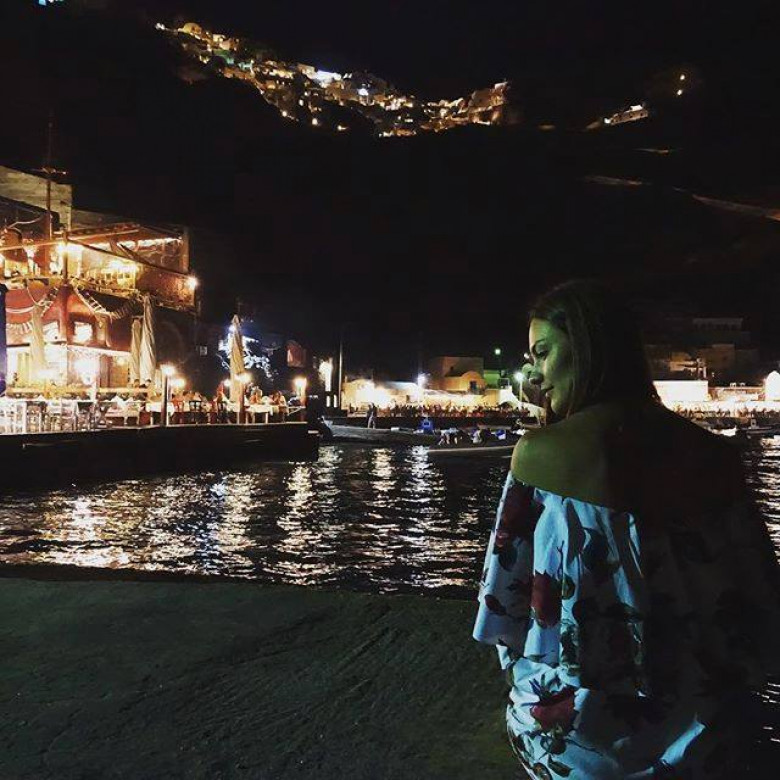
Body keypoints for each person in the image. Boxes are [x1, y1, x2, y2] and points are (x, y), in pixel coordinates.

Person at [473, 279, 780, 779]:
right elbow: (762, 604)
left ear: (588, 349)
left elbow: (502, 613)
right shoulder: (717, 458)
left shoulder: (541, 454)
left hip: (585, 739)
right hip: (710, 735)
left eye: (543, 353)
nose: (536, 373)